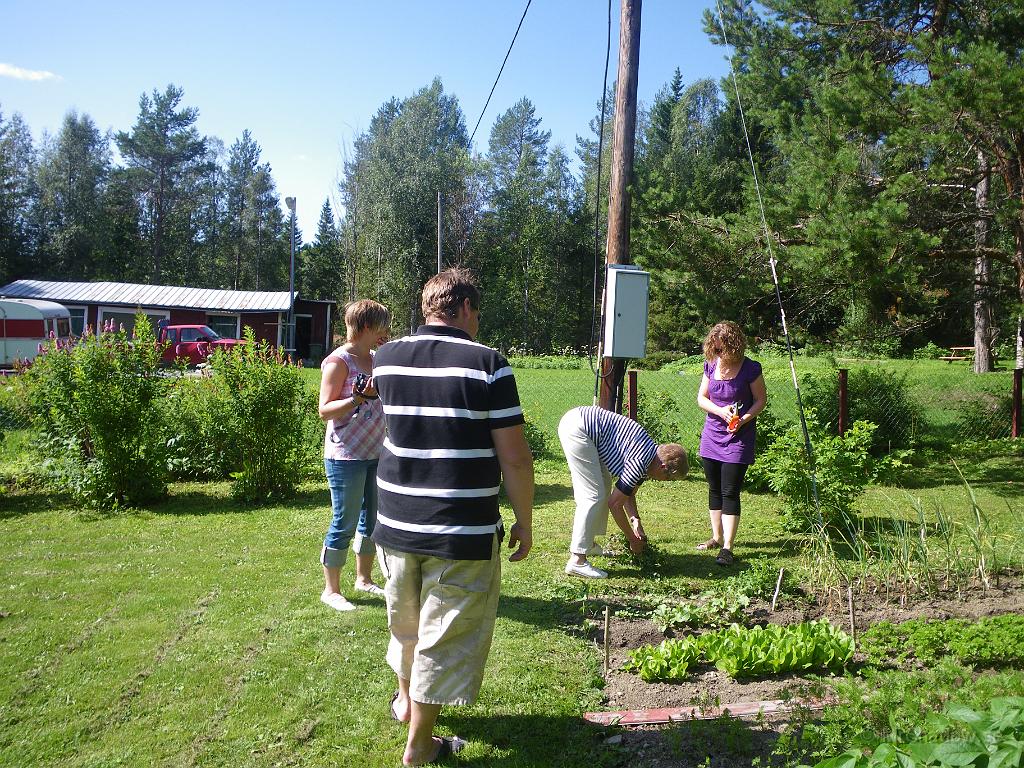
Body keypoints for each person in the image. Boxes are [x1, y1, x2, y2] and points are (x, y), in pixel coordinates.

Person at [372, 268, 534, 767]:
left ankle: (406, 703)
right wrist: (525, 521)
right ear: (464, 307)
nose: (478, 322)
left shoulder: (387, 358)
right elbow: (515, 458)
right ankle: (421, 746)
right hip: (460, 529)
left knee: (406, 623)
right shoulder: (488, 365)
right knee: (442, 637)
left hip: (395, 522)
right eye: (477, 313)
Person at [317, 299, 391, 611]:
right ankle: (331, 590)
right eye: (381, 327)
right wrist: (357, 398)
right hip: (345, 455)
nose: (386, 332)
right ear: (365, 327)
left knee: (371, 522)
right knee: (344, 522)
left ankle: (364, 579)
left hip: (376, 452)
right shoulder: (338, 361)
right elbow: (325, 409)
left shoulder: (376, 359)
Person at [558, 405, 688, 579]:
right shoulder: (640, 461)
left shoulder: (650, 458)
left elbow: (628, 493)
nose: (666, 482)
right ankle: (577, 560)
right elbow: (615, 504)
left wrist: (636, 521)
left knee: (603, 485)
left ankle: (587, 544)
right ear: (664, 467)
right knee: (593, 496)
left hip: (584, 426)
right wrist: (632, 540)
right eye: (669, 479)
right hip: (578, 428)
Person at [696, 321, 767, 566]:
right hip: (712, 435)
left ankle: (727, 547)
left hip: (739, 437)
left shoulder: (750, 368)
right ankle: (716, 537)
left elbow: (761, 401)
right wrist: (720, 411)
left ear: (733, 345)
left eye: (721, 348)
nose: (717, 353)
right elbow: (701, 399)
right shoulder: (710, 365)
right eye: (714, 348)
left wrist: (743, 419)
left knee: (730, 490)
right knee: (714, 488)